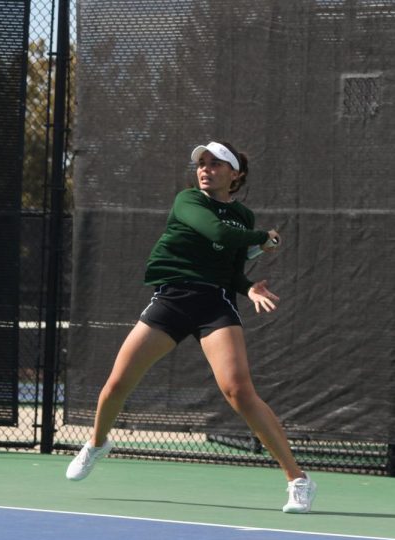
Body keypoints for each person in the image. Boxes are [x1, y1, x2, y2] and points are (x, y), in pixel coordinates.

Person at [65, 141, 317, 514]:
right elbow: (216, 232)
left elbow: (229, 268)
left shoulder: (243, 216)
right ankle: (97, 443)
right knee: (117, 384)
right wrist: (263, 239)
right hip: (171, 301)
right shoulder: (189, 201)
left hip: (215, 304)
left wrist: (248, 287)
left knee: (238, 391)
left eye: (216, 164)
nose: (205, 169)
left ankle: (298, 480)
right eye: (202, 163)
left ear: (235, 175)